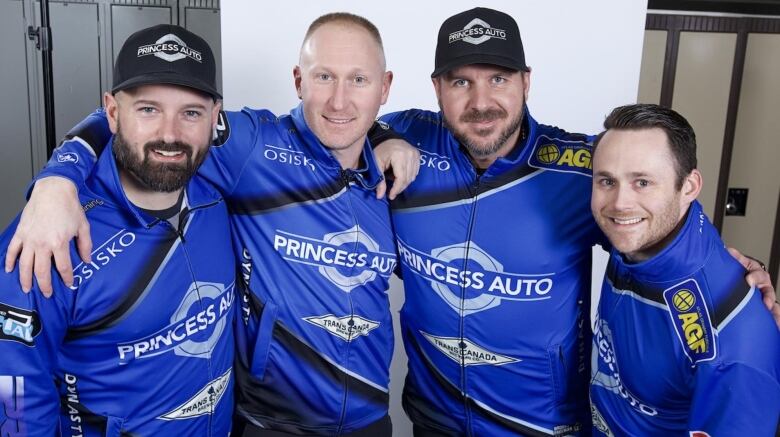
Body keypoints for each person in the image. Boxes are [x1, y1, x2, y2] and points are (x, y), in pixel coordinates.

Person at [7, 7, 778, 437]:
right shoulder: (278, 145)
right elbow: (160, 117)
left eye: (499, 79)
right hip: (335, 421)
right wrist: (59, 174)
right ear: (434, 90)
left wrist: (727, 277)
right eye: (462, 82)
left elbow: (646, 202)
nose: (481, 100)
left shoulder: (580, 170)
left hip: (534, 431)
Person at [7, 13, 420, 437]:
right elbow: (139, 111)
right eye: (324, 77)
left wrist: (384, 135)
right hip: (270, 423)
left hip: (370, 418)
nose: (339, 101)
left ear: (384, 87)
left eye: (359, 81)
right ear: (298, 81)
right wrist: (58, 178)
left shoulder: (400, 172)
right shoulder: (251, 148)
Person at [0, 24, 236, 435]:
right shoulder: (48, 235)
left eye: (191, 113)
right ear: (111, 112)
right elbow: (12, 391)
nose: (170, 134)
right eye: (148, 109)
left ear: (215, 118)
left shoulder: (221, 192)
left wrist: (382, 137)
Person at [588, 103, 780, 435]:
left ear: (689, 187)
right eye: (607, 180)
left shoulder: (735, 341)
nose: (619, 203)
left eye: (643, 183)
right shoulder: (635, 234)